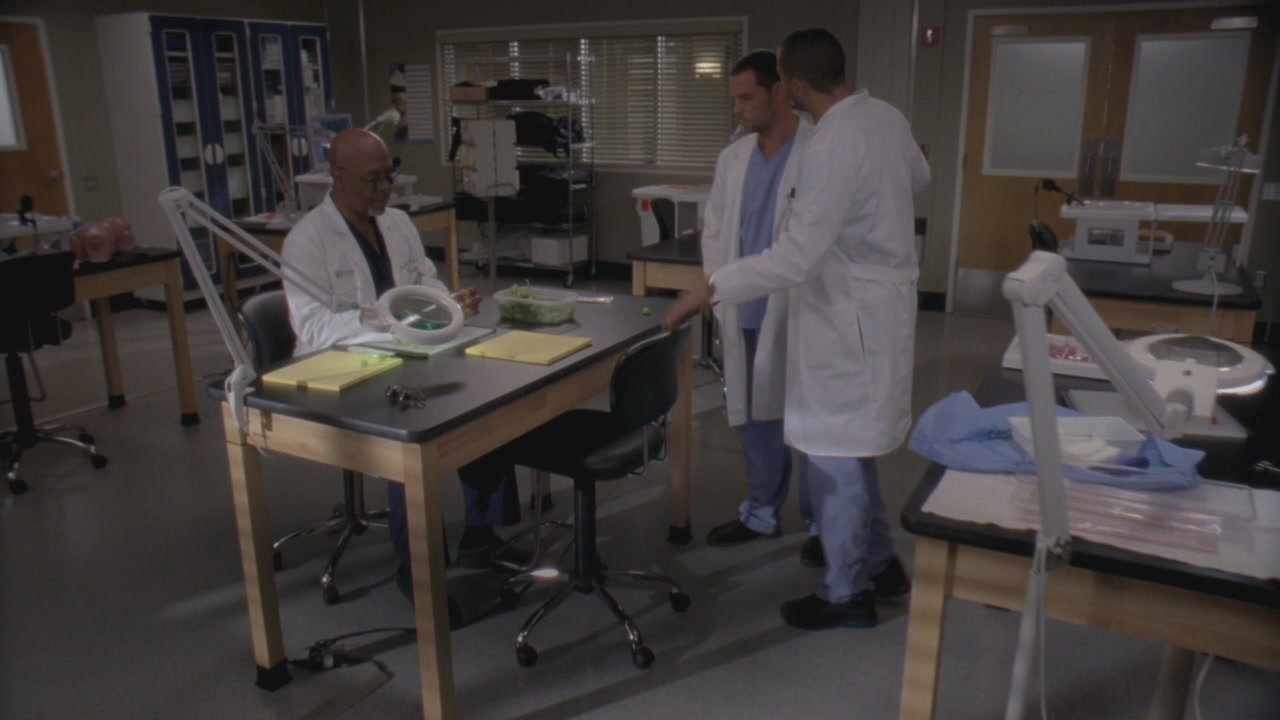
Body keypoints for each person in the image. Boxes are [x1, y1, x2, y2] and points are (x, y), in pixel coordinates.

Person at [664, 29, 929, 630]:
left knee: (835, 458)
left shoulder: (829, 144)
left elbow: (795, 257)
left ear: (796, 86)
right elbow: (919, 178)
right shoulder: (886, 117)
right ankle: (881, 566)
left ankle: (846, 594)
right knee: (850, 449)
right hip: (874, 308)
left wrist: (711, 287)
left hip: (845, 319)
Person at [282, 129, 522, 599]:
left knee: (483, 399)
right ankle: (418, 564)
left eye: (388, 178)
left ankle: (481, 535)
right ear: (339, 176)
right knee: (408, 432)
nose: (384, 190)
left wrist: (449, 304)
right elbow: (314, 329)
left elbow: (424, 284)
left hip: (409, 352)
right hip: (343, 366)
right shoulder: (307, 240)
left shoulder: (396, 223)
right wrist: (388, 320)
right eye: (372, 181)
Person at [700, 50, 822, 565]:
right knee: (754, 418)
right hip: (745, 308)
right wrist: (718, 288)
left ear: (779, 91)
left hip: (805, 311)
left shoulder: (819, 151)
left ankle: (822, 525)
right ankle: (761, 512)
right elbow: (714, 230)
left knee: (813, 422)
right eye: (734, 99)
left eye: (746, 97)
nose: (738, 109)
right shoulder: (734, 159)